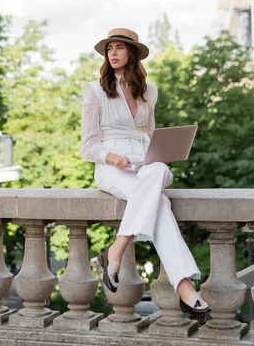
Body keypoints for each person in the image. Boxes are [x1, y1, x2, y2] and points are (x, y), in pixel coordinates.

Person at [80, 27, 209, 316]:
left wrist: (158, 151)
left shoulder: (149, 91)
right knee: (159, 202)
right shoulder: (95, 91)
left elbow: (150, 134)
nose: (113, 53)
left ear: (132, 53)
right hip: (112, 167)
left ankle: (117, 248)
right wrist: (111, 157)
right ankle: (186, 287)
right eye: (109, 48)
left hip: (145, 164)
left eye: (119, 48)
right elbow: (87, 146)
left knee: (158, 169)